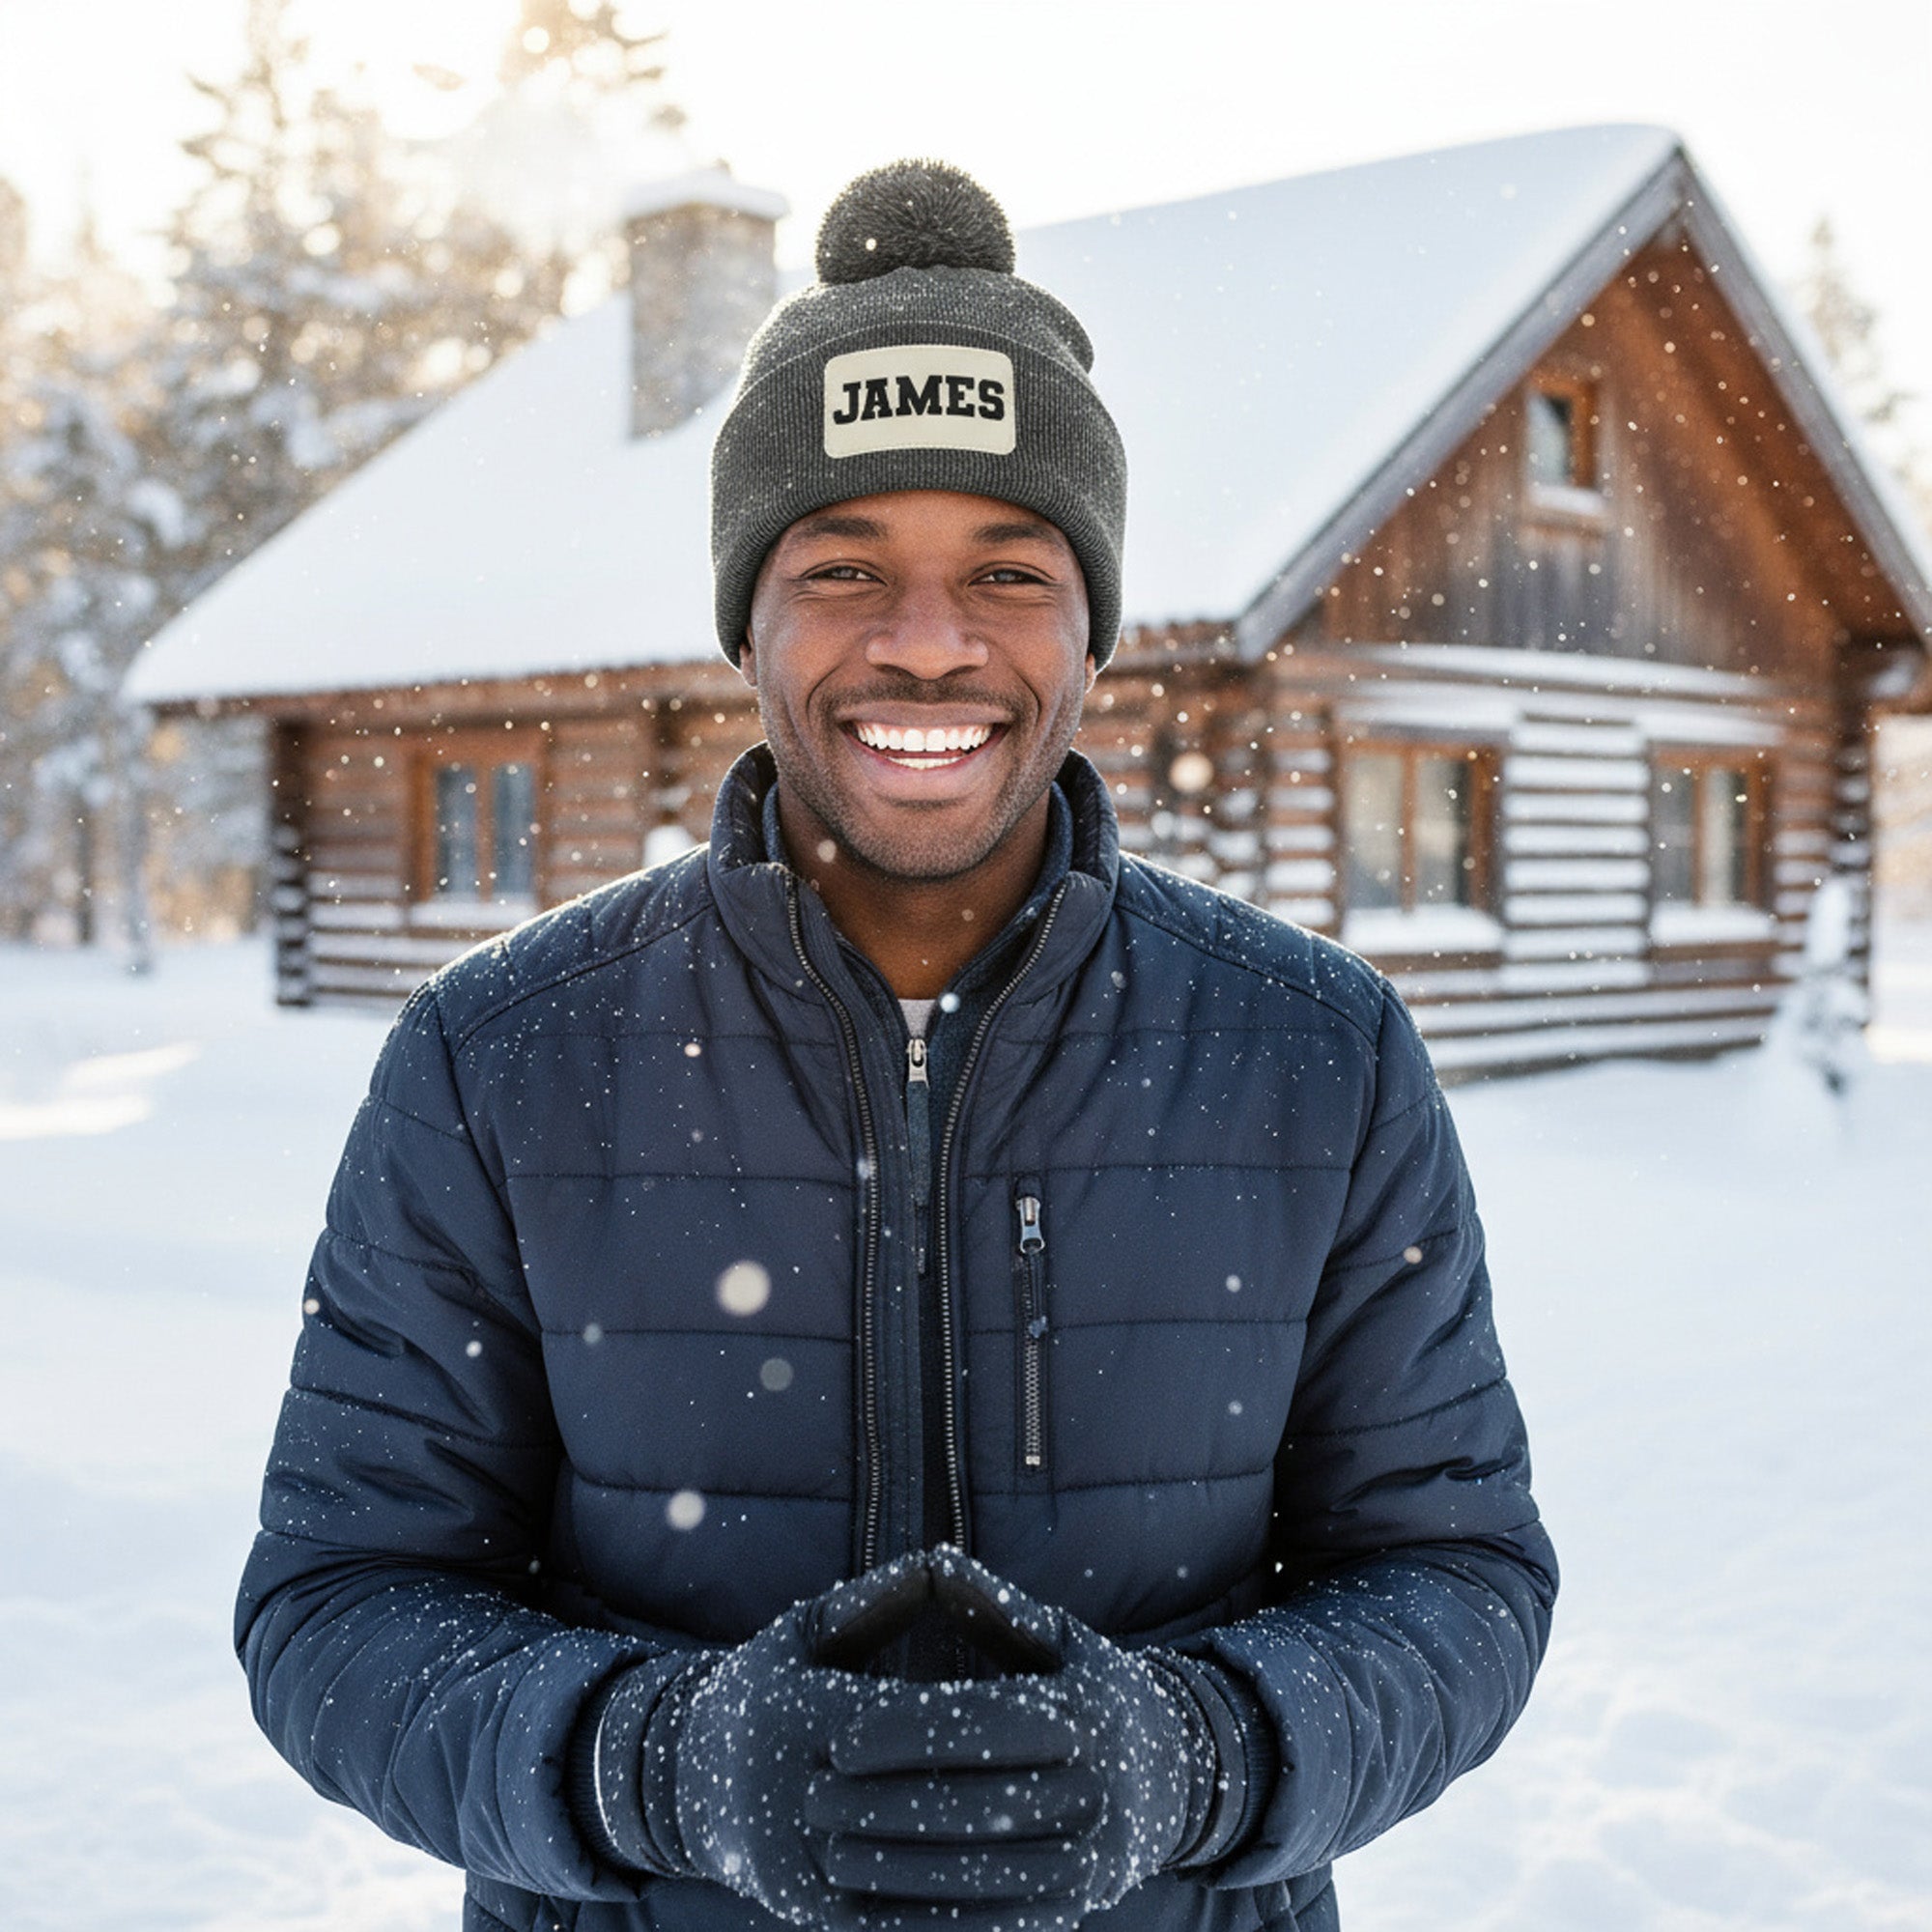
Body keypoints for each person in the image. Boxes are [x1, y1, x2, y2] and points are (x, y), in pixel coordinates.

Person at [237, 159, 1556, 1932]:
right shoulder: (501, 1059)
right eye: (843, 565)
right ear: (748, 625)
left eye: (1008, 571)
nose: (926, 644)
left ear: (1092, 626)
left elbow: (1454, 1576)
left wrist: (1202, 1752)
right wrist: (657, 1765)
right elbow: (340, 1603)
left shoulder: (1313, 1052)